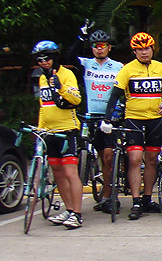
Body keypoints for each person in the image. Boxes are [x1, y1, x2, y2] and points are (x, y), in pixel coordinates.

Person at [99, 32, 162, 220]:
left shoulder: (160, 68)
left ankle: (147, 199)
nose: (144, 52)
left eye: (147, 48)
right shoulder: (127, 69)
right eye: (140, 49)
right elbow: (114, 96)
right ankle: (136, 201)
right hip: (134, 118)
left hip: (155, 119)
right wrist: (107, 119)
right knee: (134, 159)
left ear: (152, 49)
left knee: (151, 159)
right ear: (134, 52)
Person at [64, 25, 123, 214]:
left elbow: (124, 90)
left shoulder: (118, 67)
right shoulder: (86, 64)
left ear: (109, 47)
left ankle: (107, 196)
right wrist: (80, 38)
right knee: (94, 154)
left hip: (110, 118)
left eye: (103, 45)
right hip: (90, 117)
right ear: (92, 48)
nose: (99, 48)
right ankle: (95, 186)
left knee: (108, 158)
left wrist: (119, 111)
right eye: (96, 46)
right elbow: (69, 58)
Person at [34, 41, 85, 229]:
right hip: (49, 131)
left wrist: (61, 87)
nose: (44, 62)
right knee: (57, 173)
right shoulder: (42, 78)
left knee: (70, 172)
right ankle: (69, 209)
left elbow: (77, 99)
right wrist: (40, 128)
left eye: (47, 59)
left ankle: (77, 214)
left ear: (54, 58)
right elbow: (43, 106)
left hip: (67, 130)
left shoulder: (67, 74)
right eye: (40, 60)